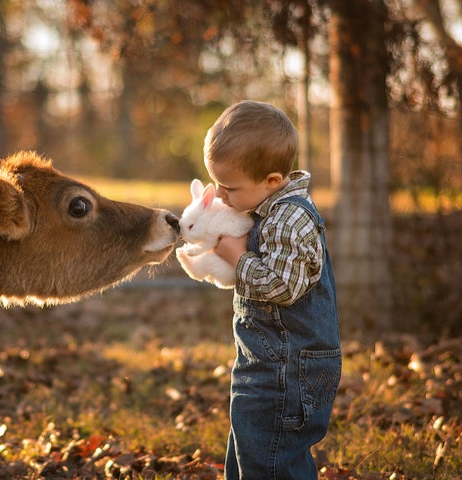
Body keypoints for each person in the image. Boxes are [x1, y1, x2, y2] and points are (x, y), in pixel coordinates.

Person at [204, 100, 341, 479]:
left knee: (273, 460)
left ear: (272, 181)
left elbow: (283, 285)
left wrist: (238, 257)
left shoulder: (290, 218)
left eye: (229, 187)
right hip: (266, 361)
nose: (219, 195)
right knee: (250, 449)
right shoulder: (268, 210)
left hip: (289, 369)